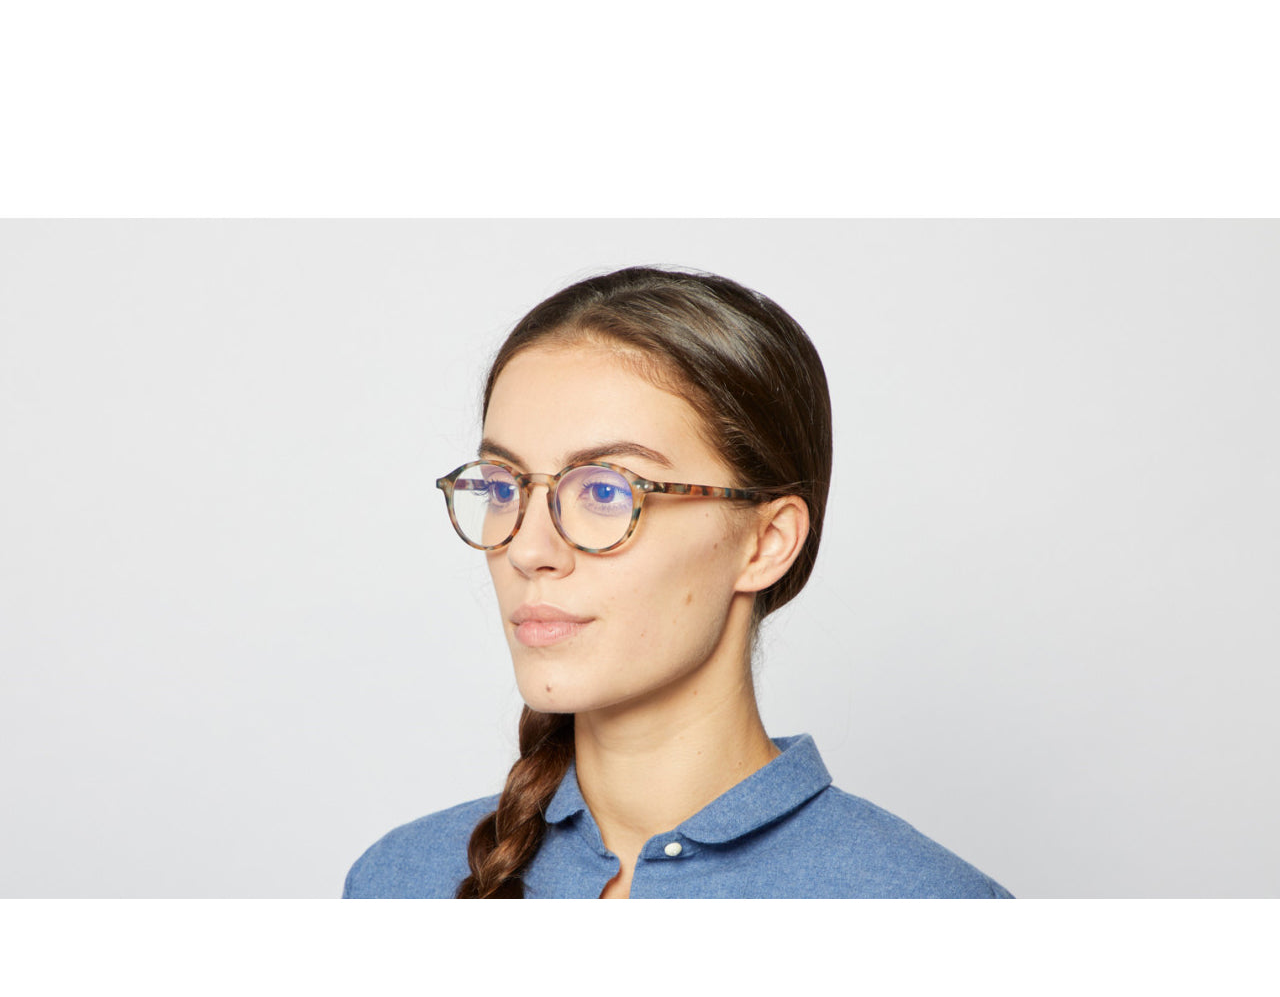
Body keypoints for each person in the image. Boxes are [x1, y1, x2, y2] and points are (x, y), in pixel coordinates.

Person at [344, 266, 1012, 899]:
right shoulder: (399, 881)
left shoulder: (928, 901)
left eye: (605, 489)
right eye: (500, 486)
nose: (527, 549)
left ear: (766, 542)